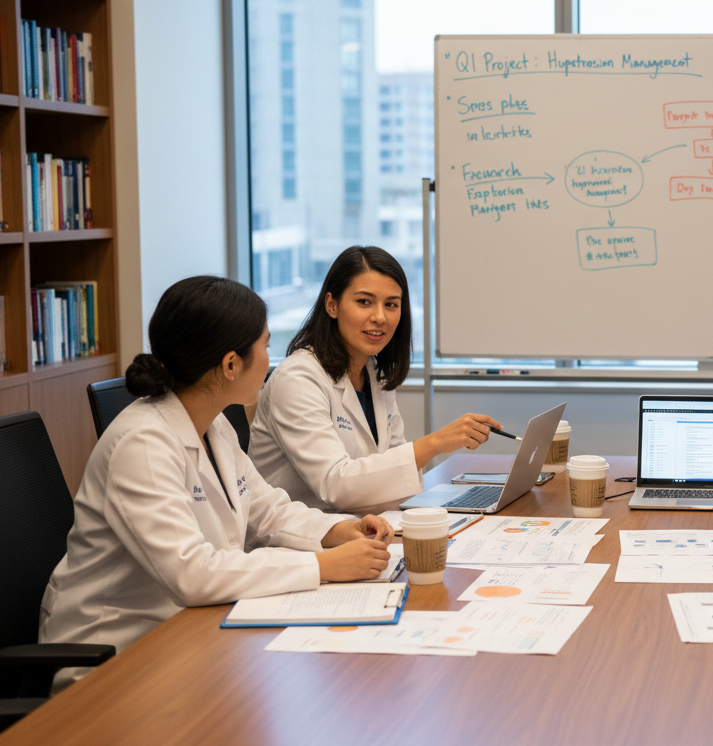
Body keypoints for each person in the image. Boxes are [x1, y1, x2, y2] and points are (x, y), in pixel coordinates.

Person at [40, 276, 394, 691]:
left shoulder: (213, 423)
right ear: (230, 365)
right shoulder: (143, 444)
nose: (270, 357)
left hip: (189, 633)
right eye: (264, 346)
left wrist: (336, 531)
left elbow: (267, 508)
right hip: (115, 655)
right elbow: (192, 573)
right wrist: (320, 565)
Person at [249, 246, 502, 514]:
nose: (380, 317)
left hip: (365, 528)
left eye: (391, 304)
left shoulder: (373, 373)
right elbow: (335, 485)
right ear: (332, 305)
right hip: (299, 544)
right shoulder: (297, 379)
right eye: (364, 302)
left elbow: (396, 473)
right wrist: (436, 443)